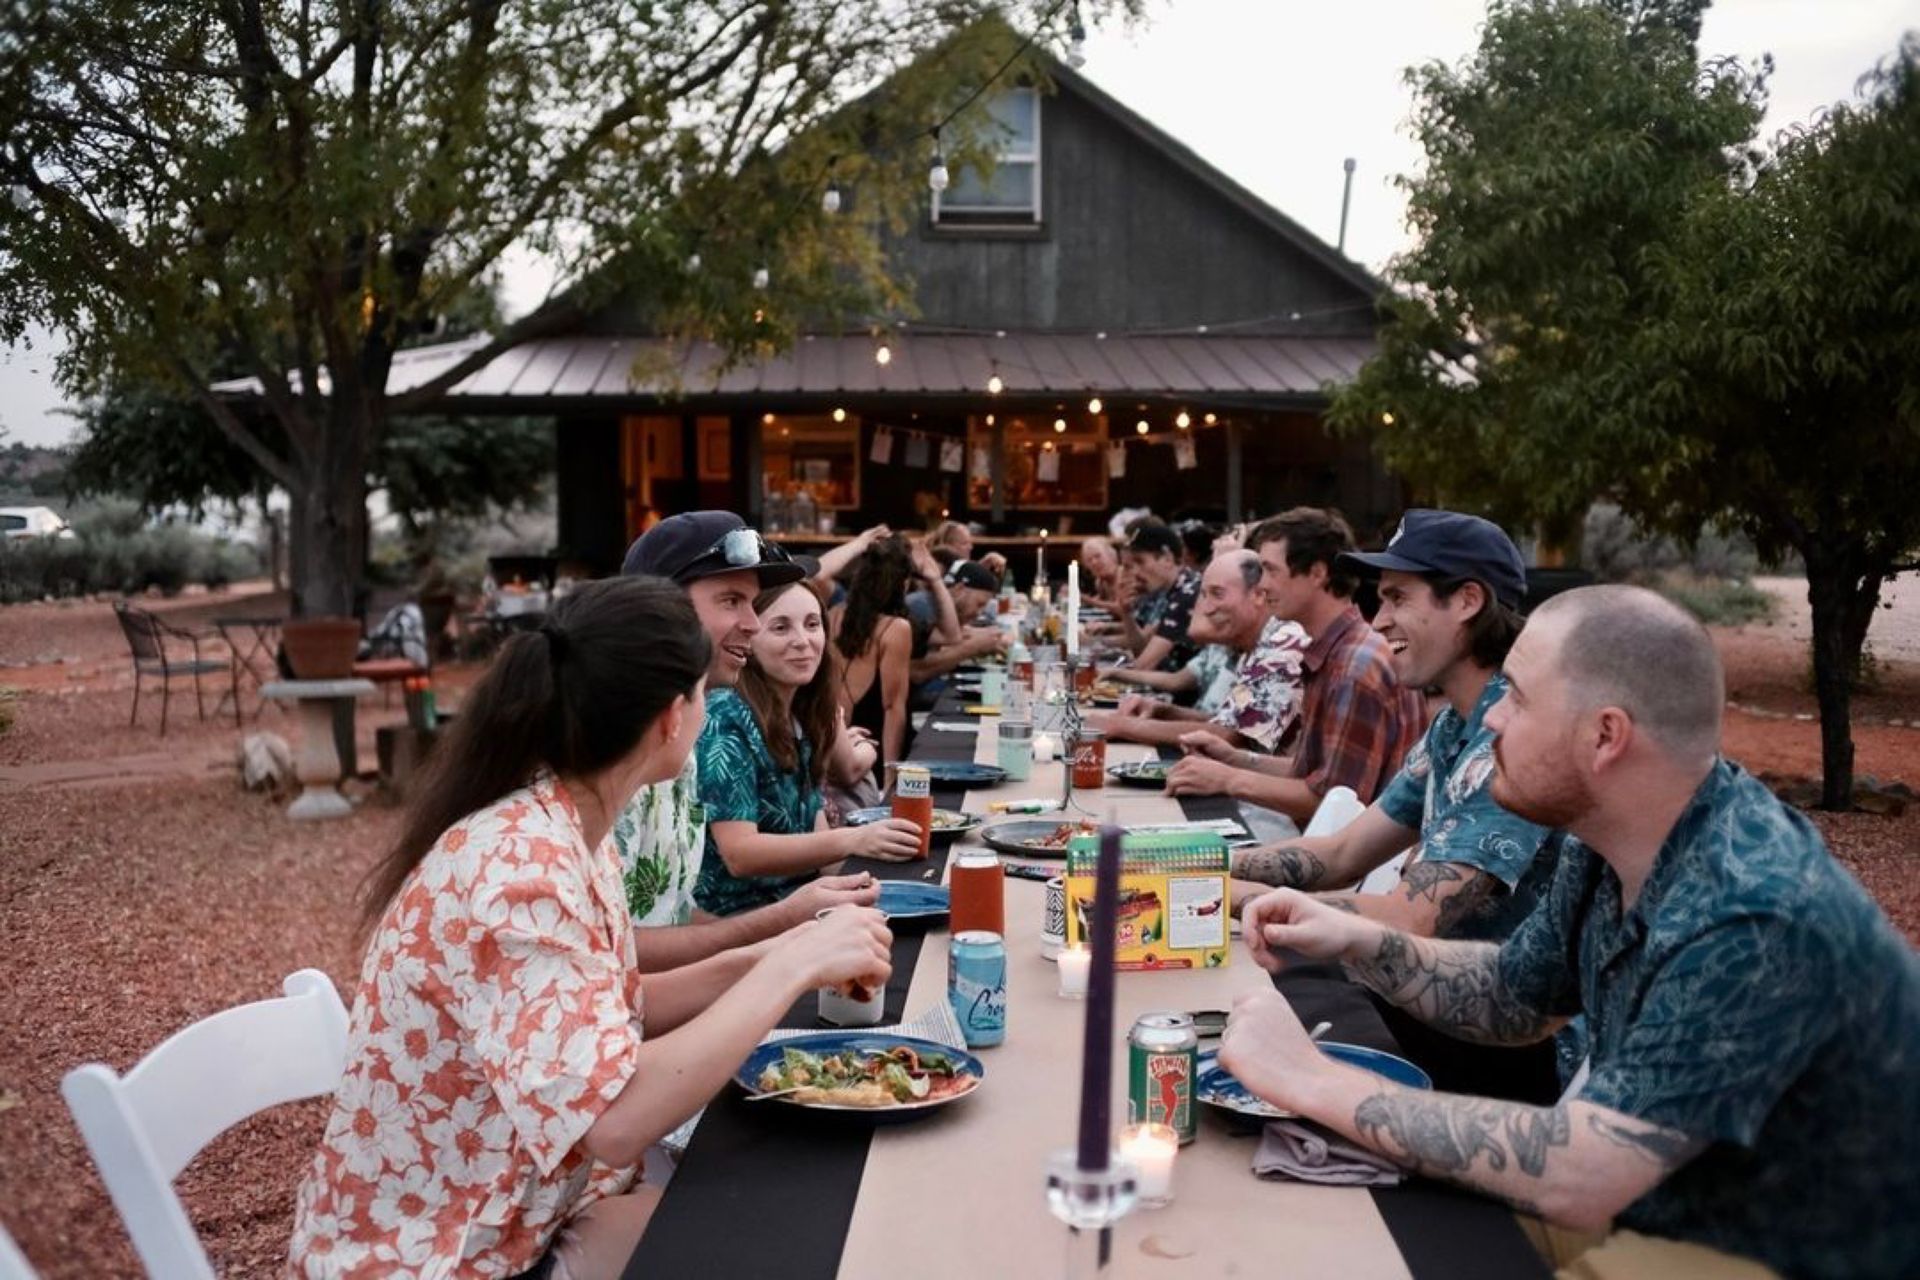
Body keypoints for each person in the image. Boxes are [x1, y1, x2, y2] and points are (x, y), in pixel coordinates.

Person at [1223, 585, 1920, 1280]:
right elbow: (1517, 999)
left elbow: (1583, 1172)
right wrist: (1357, 942)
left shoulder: (1753, 911)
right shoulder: (1607, 834)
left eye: (1518, 698)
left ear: (1605, 736)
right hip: (1659, 1206)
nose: (1491, 717)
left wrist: (1307, 1079)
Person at [289, 577, 893, 1279]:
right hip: (440, 1256)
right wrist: (790, 968)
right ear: (673, 718)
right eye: (705, 693)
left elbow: (621, 1000)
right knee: (782, 1234)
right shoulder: (522, 872)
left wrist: (788, 947)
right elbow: (616, 1121)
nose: (713, 706)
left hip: (525, 1211)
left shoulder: (566, 821)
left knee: (782, 1203)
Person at [1228, 509, 1563, 1103]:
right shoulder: (1454, 727)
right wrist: (1190, 864)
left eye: (1396, 598)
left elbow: (1412, 919)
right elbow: (1341, 852)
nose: (1377, 620)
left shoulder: (1508, 737)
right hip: (1426, 1025)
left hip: (1503, 1068)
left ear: (1466, 601)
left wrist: (1206, 899)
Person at [610, 512, 879, 971]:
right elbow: (617, 960)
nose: (753, 624)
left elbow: (670, 916)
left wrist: (786, 941)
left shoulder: (680, 741)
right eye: (732, 600)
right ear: (662, 606)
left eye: (754, 604)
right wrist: (777, 936)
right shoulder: (611, 757)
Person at [1166, 508, 1424, 821]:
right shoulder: (1336, 651)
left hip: (1349, 862)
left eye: (1271, 571)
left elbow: (1334, 802)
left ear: (1317, 573)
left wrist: (1227, 779)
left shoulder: (1354, 666)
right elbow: (1316, 773)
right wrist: (1235, 758)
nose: (1261, 586)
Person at [697, 579, 923, 915]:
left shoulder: (804, 714)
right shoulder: (725, 713)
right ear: (751, 639)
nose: (803, 641)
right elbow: (739, 854)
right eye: (780, 627)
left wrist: (879, 878)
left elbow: (821, 855)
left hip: (801, 905)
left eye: (813, 625)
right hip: (736, 921)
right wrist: (856, 838)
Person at [1093, 550, 1308, 753]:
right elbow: (1230, 723)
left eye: (1217, 594)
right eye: (1203, 595)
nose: (1205, 608)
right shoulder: (1252, 647)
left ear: (1258, 595)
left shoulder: (1281, 643)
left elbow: (1229, 736)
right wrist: (1165, 711)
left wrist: (1120, 726)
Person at [831, 533, 917, 764]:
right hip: (873, 749)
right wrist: (890, 775)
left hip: (837, 745)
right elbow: (893, 708)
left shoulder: (834, 615)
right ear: (903, 583)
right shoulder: (896, 629)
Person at [909, 558, 1008, 693]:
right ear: (959, 589)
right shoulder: (922, 607)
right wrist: (974, 647)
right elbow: (916, 671)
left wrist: (981, 641)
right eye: (979, 604)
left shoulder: (936, 608)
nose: (979, 613)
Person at [1120, 521, 1202, 673]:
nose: (1136, 573)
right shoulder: (1176, 590)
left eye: (1140, 562)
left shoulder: (1188, 594)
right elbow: (1141, 648)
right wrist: (1126, 612)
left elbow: (1143, 666)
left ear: (1167, 558)